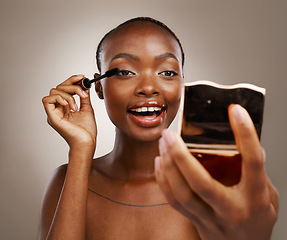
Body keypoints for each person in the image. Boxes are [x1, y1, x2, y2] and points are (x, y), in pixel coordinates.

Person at [39, 17, 278, 240]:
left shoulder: (216, 187)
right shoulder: (66, 180)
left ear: (182, 83)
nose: (148, 87)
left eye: (167, 72)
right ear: (99, 87)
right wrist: (81, 149)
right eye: (125, 72)